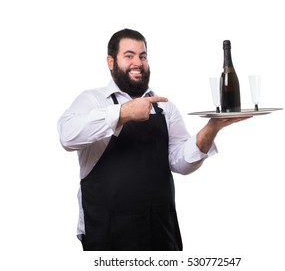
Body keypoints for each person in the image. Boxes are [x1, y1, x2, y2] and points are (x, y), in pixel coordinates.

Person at [57, 28, 249, 251]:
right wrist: (124, 113)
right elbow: (67, 137)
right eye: (129, 56)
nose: (137, 62)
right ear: (111, 62)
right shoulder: (92, 100)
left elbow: (180, 163)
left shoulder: (164, 106)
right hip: (107, 229)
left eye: (143, 56)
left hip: (160, 228)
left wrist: (212, 128)